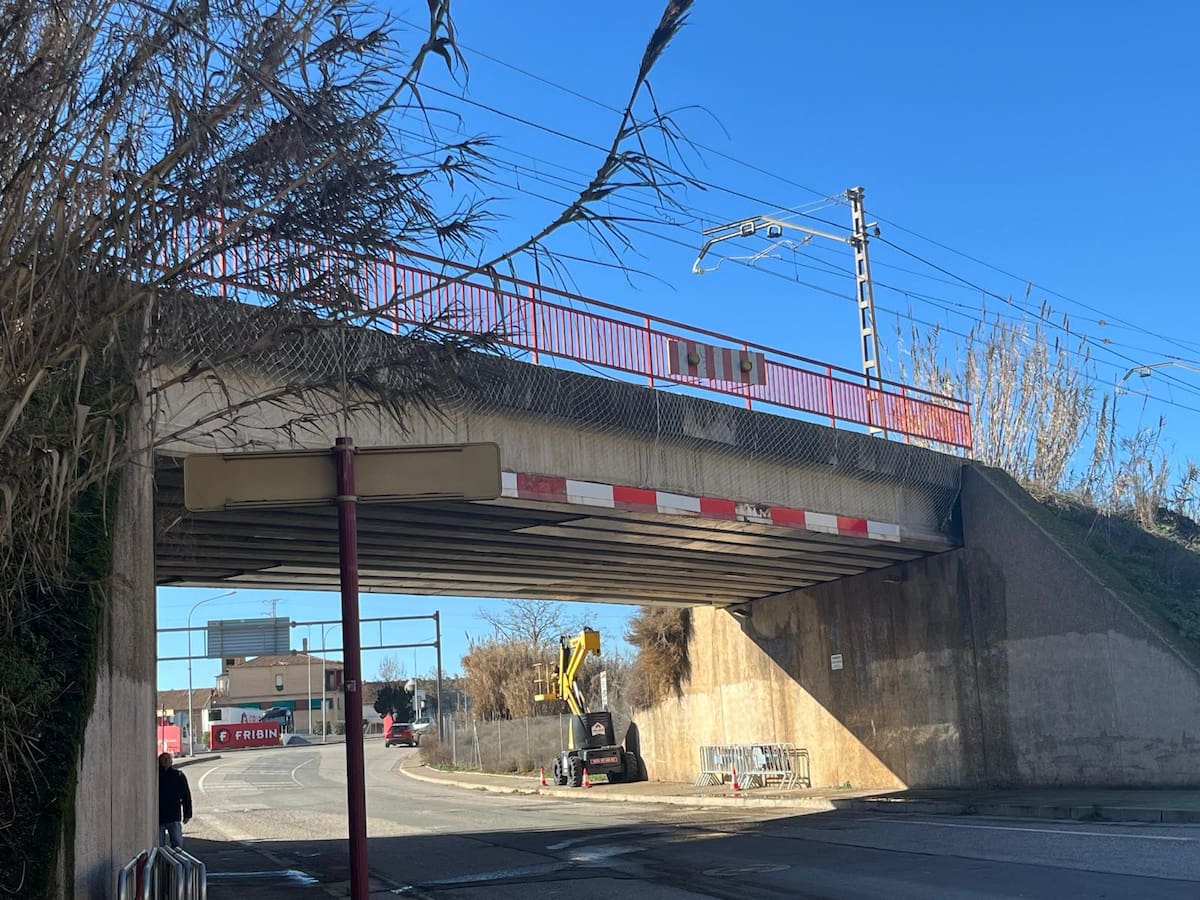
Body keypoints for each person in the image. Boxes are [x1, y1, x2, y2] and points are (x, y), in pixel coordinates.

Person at [158, 751, 193, 849]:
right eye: (163, 759)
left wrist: (187, 813)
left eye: (167, 759)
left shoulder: (178, 775)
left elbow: (186, 795)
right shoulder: (155, 775)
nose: (165, 761)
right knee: (159, 846)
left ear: (171, 761)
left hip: (174, 816)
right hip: (158, 817)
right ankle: (162, 864)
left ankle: (176, 863)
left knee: (177, 843)